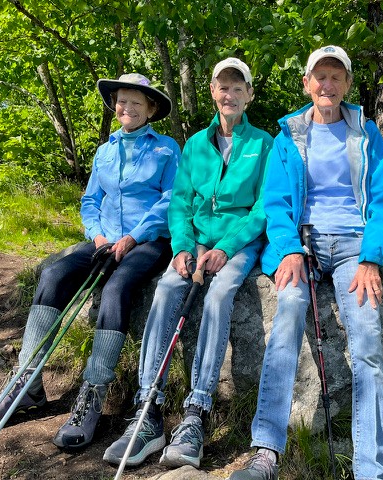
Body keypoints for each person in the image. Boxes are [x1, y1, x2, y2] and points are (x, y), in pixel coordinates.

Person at [0, 73, 180, 451]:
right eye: (121, 101)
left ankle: (92, 395)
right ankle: (26, 383)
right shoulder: (105, 151)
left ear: (150, 109)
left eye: (135, 102)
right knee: (52, 272)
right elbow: (90, 200)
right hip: (103, 240)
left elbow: (170, 201)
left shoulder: (166, 150)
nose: (126, 108)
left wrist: (132, 237)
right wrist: (98, 235)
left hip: (148, 241)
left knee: (116, 288)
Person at [228, 46, 383, 480]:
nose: (327, 85)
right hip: (303, 247)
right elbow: (275, 201)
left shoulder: (365, 132)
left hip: (352, 248)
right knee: (287, 314)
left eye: (336, 77)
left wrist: (371, 257)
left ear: (346, 84)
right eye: (319, 77)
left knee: (366, 338)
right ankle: (266, 451)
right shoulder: (289, 133)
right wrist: (288, 248)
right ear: (307, 83)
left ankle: (371, 468)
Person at [103, 58, 273, 469]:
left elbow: (264, 207)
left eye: (238, 88)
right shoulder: (195, 145)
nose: (229, 95)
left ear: (249, 95)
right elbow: (179, 204)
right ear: (213, 93)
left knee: (218, 299)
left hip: (238, 246)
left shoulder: (266, 144)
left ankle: (196, 413)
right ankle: (149, 411)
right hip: (194, 244)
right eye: (222, 87)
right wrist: (182, 247)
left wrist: (227, 248)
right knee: (165, 291)